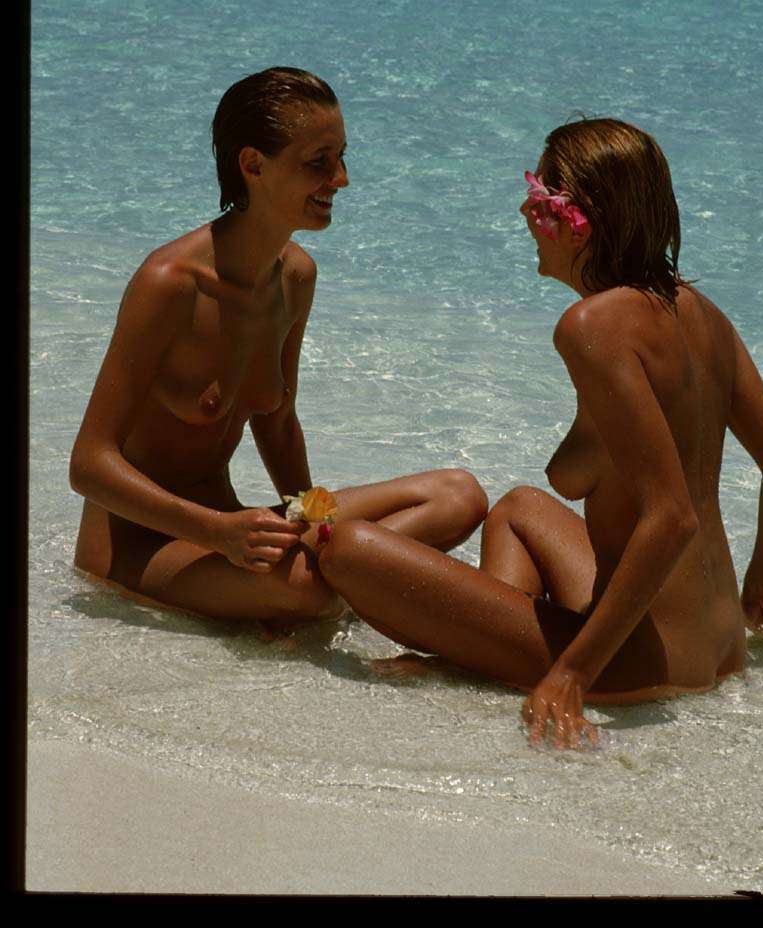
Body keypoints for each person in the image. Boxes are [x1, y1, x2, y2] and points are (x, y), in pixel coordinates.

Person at [316, 118, 763, 748]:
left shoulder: (592, 326)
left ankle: (513, 660)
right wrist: (761, 581)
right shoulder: (697, 309)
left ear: (577, 220)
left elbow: (671, 518)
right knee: (520, 508)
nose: (523, 213)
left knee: (345, 548)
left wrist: (571, 674)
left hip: (642, 662)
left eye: (536, 200)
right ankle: (478, 653)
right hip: (717, 648)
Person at [71, 67, 488, 627]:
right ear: (253, 166)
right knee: (313, 592)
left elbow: (279, 423)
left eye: (342, 157)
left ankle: (338, 576)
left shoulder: (295, 277)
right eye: (319, 161)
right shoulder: (171, 283)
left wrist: (315, 522)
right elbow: (89, 465)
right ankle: (339, 585)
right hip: (142, 546)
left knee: (458, 496)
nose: (341, 179)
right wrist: (216, 532)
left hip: (234, 528)